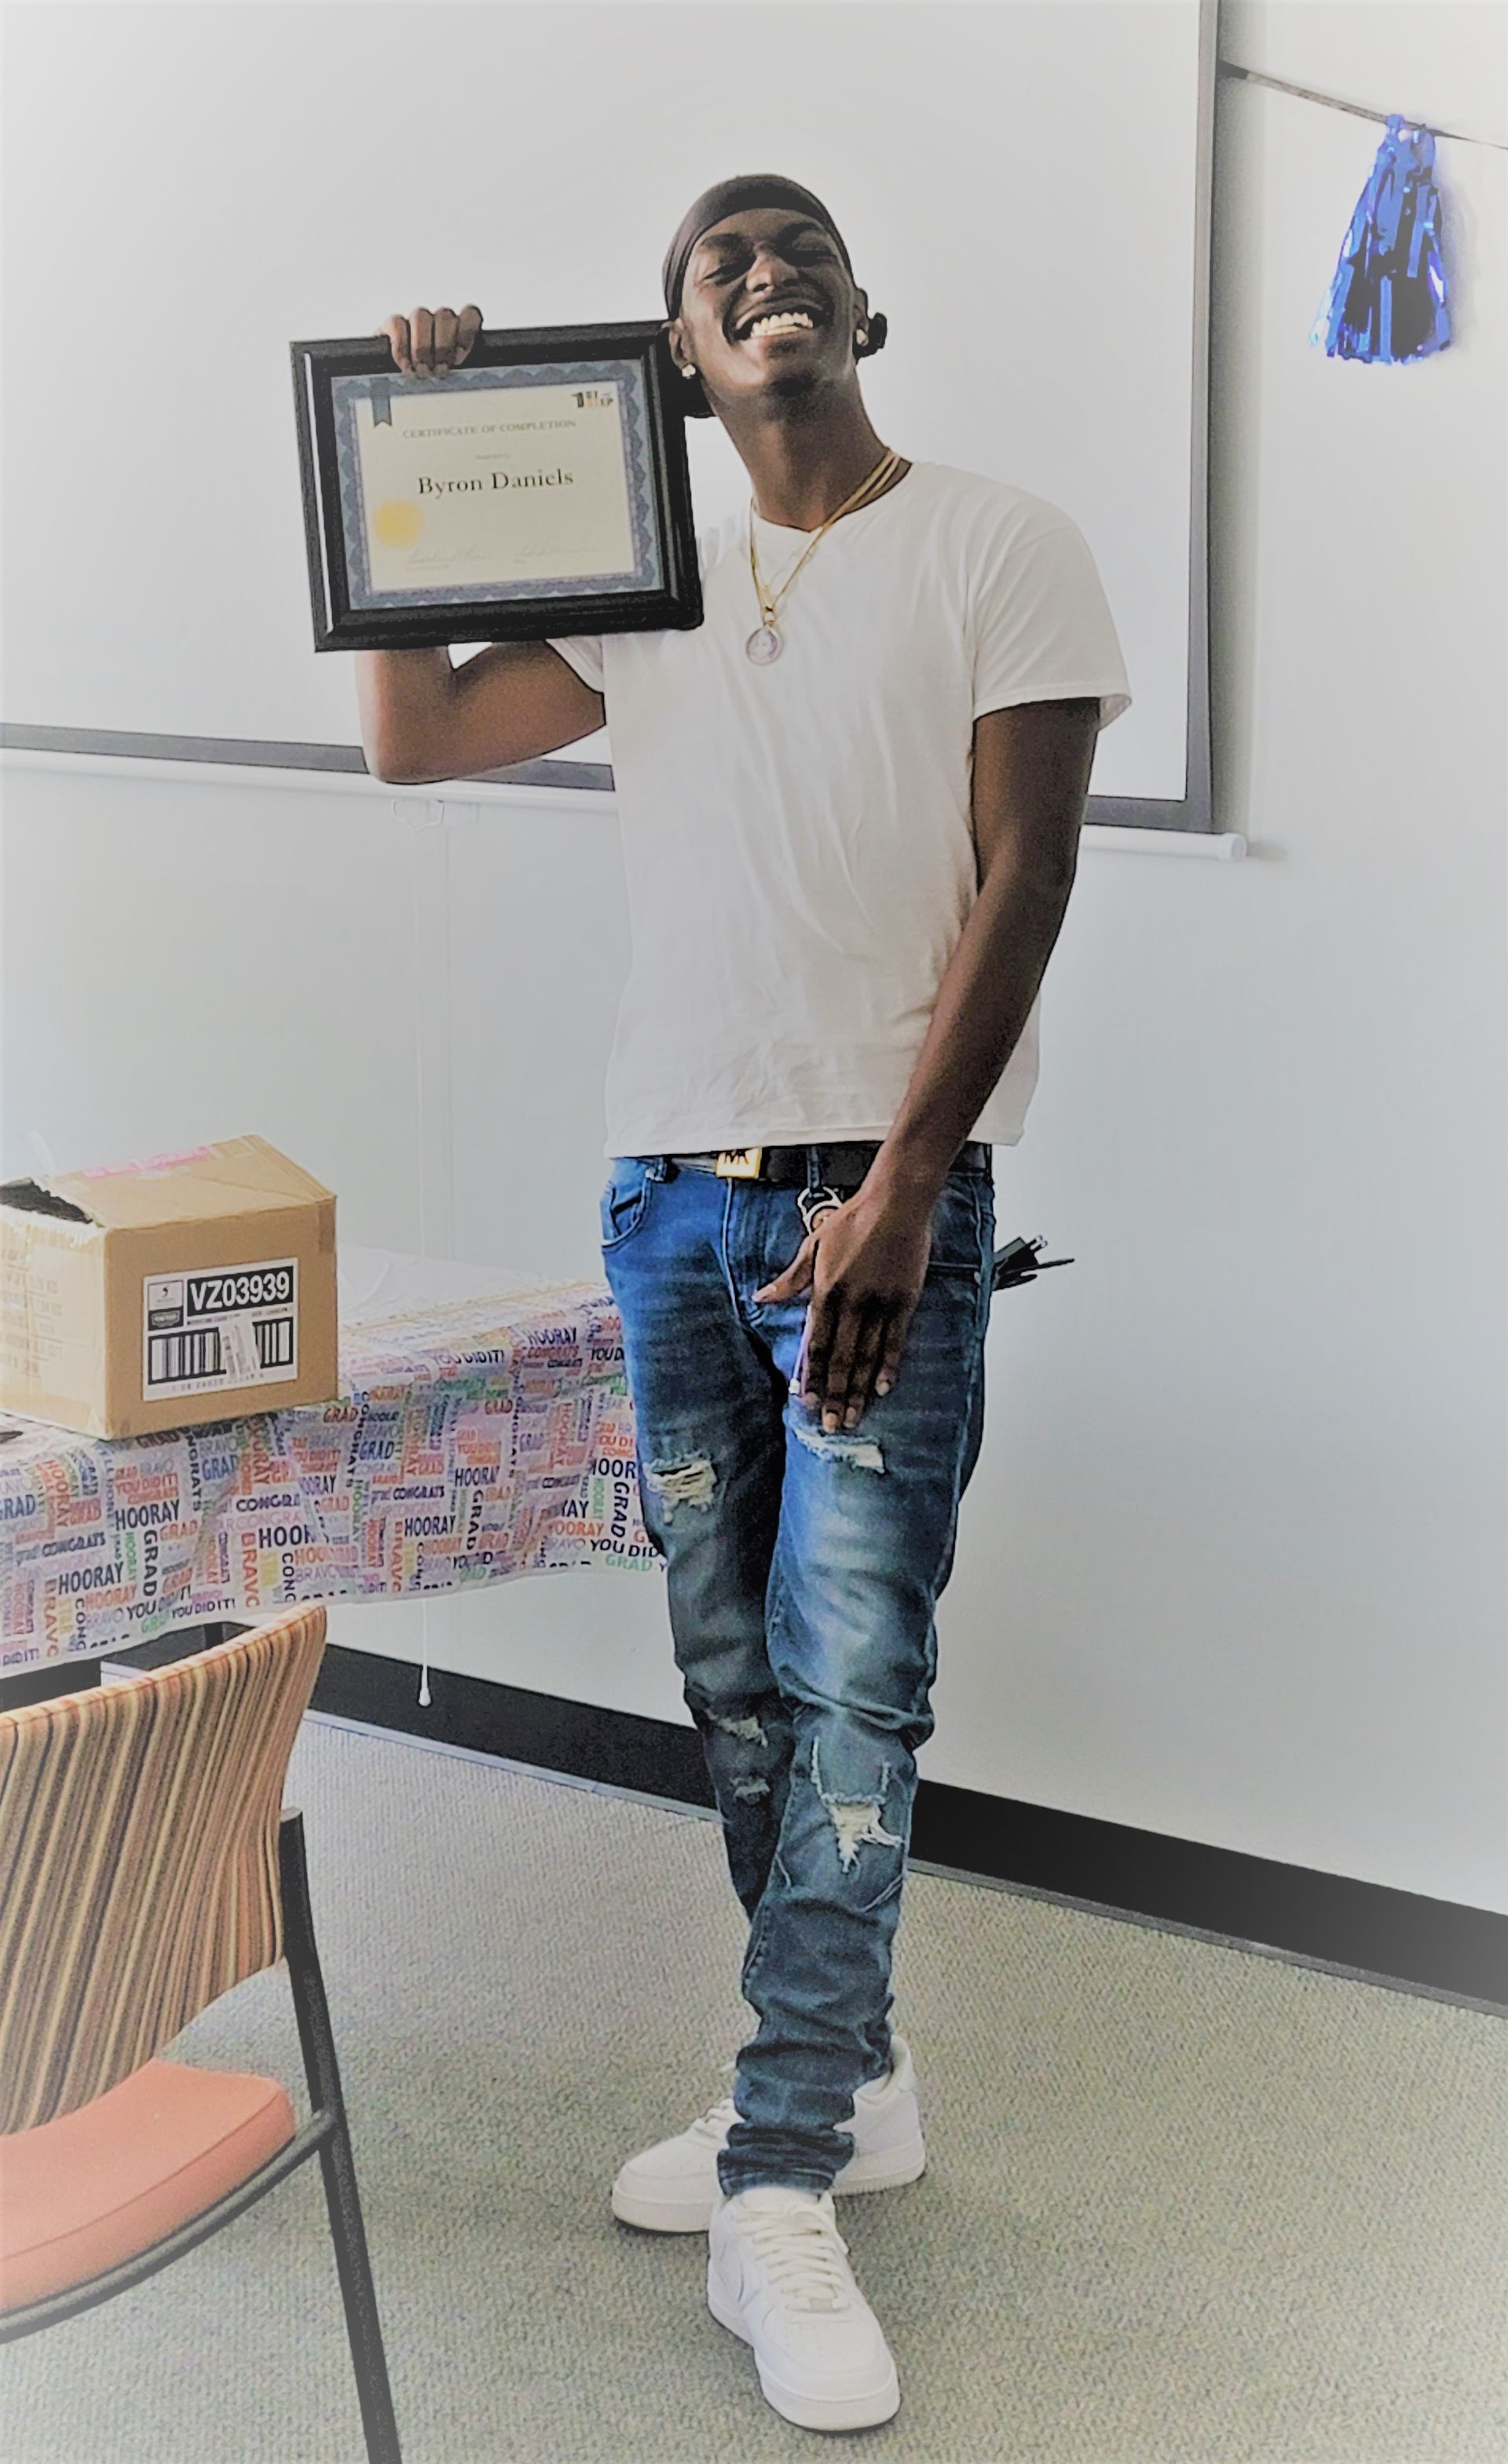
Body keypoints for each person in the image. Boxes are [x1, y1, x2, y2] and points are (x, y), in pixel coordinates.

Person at [361, 172, 1130, 2436]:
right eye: (720, 266)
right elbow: (415, 736)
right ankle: (851, 2076)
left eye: (796, 247)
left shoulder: (1002, 541)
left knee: (855, 1675)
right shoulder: (652, 575)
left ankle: (777, 2173)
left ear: (860, 303)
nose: (765, 274)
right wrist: (423, 452)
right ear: (679, 359)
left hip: (881, 1203)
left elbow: (1035, 870)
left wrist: (906, 1184)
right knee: (734, 1677)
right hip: (665, 1205)